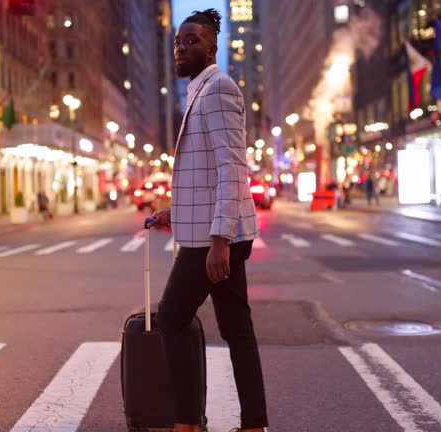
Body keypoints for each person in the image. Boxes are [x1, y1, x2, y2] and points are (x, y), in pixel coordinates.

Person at [148, 9, 267, 432]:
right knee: (237, 329)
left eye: (192, 40)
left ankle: (186, 421)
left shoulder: (217, 88)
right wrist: (173, 212)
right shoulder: (200, 90)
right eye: (178, 41)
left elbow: (232, 167)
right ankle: (253, 424)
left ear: (212, 46)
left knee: (172, 317)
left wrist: (219, 240)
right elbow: (206, 170)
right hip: (216, 232)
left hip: (213, 239)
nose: (182, 47)